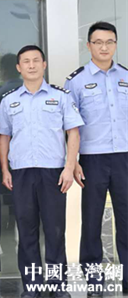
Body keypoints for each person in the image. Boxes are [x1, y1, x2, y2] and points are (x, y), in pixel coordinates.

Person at [0, 45, 84, 298]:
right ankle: (32, 286)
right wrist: (4, 169)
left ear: (44, 65)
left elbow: (73, 133)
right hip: (22, 172)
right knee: (26, 232)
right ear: (19, 67)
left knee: (55, 231)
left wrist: (69, 167)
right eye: (26, 61)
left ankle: (57, 286)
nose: (32, 65)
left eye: (36, 60)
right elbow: (4, 137)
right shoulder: (9, 100)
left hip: (53, 173)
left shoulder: (61, 97)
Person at [64, 21, 128, 296]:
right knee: (91, 220)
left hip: (124, 157)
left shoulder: (125, 76)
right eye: (98, 42)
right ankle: (93, 280)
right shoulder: (76, 81)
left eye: (109, 42)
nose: (104, 47)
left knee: (126, 219)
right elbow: (69, 126)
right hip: (92, 159)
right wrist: (74, 161)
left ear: (116, 44)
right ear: (88, 46)